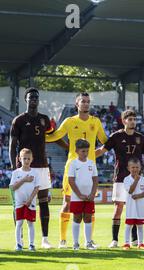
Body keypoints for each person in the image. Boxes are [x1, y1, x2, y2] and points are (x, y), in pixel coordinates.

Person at [46, 92, 108, 249]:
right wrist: (38, 135)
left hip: (90, 167)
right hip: (72, 167)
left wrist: (98, 152)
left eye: (88, 101)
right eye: (83, 101)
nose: (86, 104)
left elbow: (106, 141)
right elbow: (56, 136)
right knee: (67, 203)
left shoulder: (96, 121)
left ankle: (89, 240)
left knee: (89, 203)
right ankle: (63, 240)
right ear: (77, 104)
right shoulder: (69, 121)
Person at [96, 110, 144, 249]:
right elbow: (102, 150)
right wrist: (87, 157)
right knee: (118, 208)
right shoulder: (116, 136)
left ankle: (135, 240)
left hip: (136, 177)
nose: (132, 121)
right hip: (120, 178)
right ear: (124, 121)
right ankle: (115, 240)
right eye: (130, 119)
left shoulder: (140, 137)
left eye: (134, 119)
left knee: (134, 207)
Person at [10, 87, 55, 249]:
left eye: (36, 97)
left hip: (42, 166)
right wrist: (14, 168)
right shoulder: (19, 120)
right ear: (26, 100)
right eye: (31, 97)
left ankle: (44, 239)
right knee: (20, 204)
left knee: (43, 202)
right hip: (24, 167)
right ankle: (19, 239)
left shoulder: (45, 119)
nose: (34, 99)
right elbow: (12, 146)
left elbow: (53, 136)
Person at [67, 139, 99, 250]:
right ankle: (75, 243)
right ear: (76, 151)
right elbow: (71, 181)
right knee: (77, 218)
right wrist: (79, 195)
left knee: (88, 218)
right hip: (77, 197)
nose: (85, 154)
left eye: (87, 151)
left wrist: (92, 193)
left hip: (89, 197)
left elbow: (95, 180)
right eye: (83, 151)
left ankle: (88, 242)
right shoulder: (73, 163)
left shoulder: (91, 163)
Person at [9, 148, 40, 252]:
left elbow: (37, 188)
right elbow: (13, 188)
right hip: (19, 202)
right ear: (19, 159)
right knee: (19, 223)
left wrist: (30, 199)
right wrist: (24, 180)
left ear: (32, 159)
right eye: (24, 158)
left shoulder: (35, 172)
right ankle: (18, 244)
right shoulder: (16, 173)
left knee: (30, 223)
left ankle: (32, 244)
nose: (26, 161)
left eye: (28, 159)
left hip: (30, 202)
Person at [122, 159, 144, 250]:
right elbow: (130, 191)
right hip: (130, 207)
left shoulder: (143, 179)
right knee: (128, 225)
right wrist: (136, 180)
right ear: (128, 168)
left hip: (140, 207)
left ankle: (140, 243)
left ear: (140, 168)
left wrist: (138, 195)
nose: (135, 169)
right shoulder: (126, 179)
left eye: (137, 167)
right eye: (133, 167)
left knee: (140, 226)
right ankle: (126, 243)